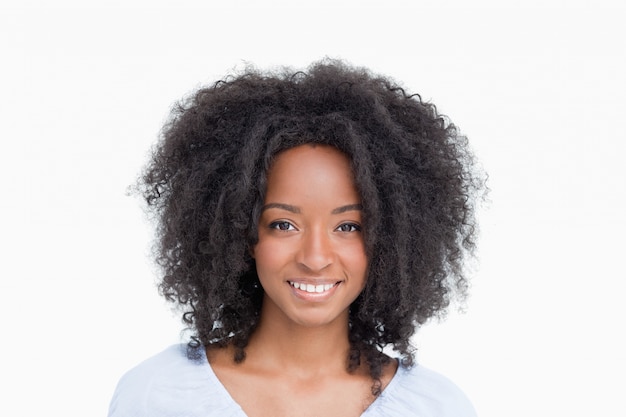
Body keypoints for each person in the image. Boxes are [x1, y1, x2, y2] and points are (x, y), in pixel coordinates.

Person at [108, 60, 484, 417]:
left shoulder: (434, 407)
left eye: (348, 226)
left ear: (392, 241)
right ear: (242, 230)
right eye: (284, 224)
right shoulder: (159, 395)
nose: (315, 258)